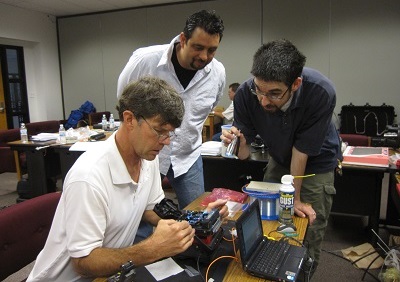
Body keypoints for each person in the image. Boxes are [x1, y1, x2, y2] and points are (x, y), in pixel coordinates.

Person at [27, 77, 228, 281]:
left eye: (170, 133)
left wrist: (198, 219)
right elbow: (83, 263)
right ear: (130, 119)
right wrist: (151, 249)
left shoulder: (147, 157)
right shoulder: (89, 177)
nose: (166, 141)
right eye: (160, 131)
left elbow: (154, 211)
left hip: (112, 274)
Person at [221, 39, 341, 275]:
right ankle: (269, 266)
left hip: (316, 162)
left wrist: (294, 198)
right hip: (279, 155)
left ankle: (301, 273)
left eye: (274, 93)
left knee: (305, 227)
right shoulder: (246, 93)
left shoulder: (320, 92)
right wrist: (239, 145)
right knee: (267, 221)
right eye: (260, 90)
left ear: (295, 84)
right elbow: (244, 154)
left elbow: (302, 151)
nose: (264, 100)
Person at [117, 10, 226, 209]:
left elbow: (209, 108)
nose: (204, 56)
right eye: (198, 47)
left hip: (188, 156)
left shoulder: (217, 73)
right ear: (183, 39)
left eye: (211, 50)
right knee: (138, 217)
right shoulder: (145, 61)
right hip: (146, 155)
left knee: (197, 217)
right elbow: (124, 102)